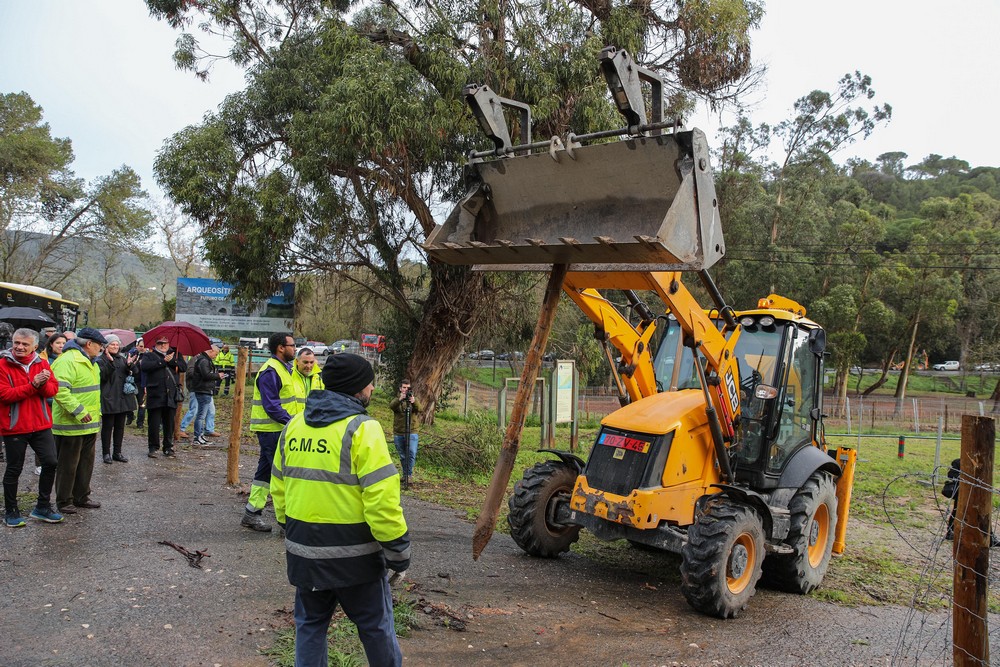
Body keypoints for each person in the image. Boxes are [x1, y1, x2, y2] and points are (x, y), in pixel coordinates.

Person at [272, 353, 409, 667]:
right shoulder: (363, 429)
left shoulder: (294, 426)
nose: (373, 389)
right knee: (376, 627)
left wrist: (290, 528)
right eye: (369, 382)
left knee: (309, 625)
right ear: (357, 388)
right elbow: (382, 502)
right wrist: (398, 551)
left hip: (304, 553)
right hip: (356, 559)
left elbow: (278, 487)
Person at [0, 328, 63, 526]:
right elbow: (5, 395)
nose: (19, 347)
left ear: (35, 347)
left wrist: (42, 384)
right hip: (15, 426)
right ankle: (11, 511)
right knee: (14, 469)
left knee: (51, 462)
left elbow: (53, 390)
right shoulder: (2, 365)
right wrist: (34, 385)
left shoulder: (42, 363)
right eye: (16, 343)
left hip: (41, 424)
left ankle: (42, 507)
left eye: (24, 344)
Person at [242, 332, 296, 532]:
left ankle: (251, 512)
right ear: (281, 348)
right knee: (281, 475)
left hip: (277, 429)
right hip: (272, 430)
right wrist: (292, 422)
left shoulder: (283, 369)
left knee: (265, 472)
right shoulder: (270, 371)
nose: (295, 348)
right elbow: (272, 406)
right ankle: (285, 521)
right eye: (292, 345)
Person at [50, 327, 107, 513]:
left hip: (89, 425)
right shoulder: (67, 361)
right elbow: (59, 390)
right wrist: (79, 411)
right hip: (70, 425)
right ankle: (64, 500)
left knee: (86, 464)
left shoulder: (92, 362)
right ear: (89, 344)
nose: (101, 349)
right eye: (99, 345)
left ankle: (82, 496)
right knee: (68, 466)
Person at [140, 337, 186, 458]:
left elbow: (183, 367)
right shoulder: (149, 355)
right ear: (155, 344)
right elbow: (144, 367)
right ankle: (153, 447)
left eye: (165, 343)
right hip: (155, 394)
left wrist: (171, 361)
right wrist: (162, 361)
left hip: (171, 395)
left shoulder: (175, 354)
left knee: (169, 423)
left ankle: (168, 447)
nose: (162, 345)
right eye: (160, 343)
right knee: (154, 423)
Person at [96, 335, 139, 464]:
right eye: (112, 344)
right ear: (106, 346)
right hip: (109, 397)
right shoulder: (101, 360)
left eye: (116, 344)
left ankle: (117, 452)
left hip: (123, 398)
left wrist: (130, 365)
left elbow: (135, 372)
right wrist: (110, 363)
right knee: (107, 427)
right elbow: (102, 376)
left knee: (120, 427)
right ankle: (106, 453)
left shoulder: (122, 358)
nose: (115, 347)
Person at [389, 379, 421, 489]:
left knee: (411, 453)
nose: (405, 390)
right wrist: (400, 399)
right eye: (404, 387)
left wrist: (414, 402)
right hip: (399, 431)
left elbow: (420, 409)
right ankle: (405, 474)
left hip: (412, 431)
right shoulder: (397, 399)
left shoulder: (413, 399)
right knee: (403, 455)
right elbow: (392, 406)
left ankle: (408, 475)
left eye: (408, 388)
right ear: (400, 388)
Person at [189, 345, 223, 445]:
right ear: (211, 351)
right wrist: (218, 375)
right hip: (203, 390)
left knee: (202, 414)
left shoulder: (204, 360)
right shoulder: (204, 361)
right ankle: (197, 436)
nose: (216, 357)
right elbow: (206, 375)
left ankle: (200, 435)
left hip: (205, 389)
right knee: (201, 415)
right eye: (216, 354)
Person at [289, 347, 324, 416]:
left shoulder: (319, 378)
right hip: (293, 422)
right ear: (297, 362)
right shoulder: (288, 376)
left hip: (313, 421)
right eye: (305, 362)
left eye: (311, 362)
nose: (309, 366)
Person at [132, 338, 147, 429]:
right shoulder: (133, 354)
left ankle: (140, 423)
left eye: (144, 347)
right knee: (128, 402)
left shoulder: (147, 357)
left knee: (142, 404)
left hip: (142, 383)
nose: (142, 348)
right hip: (131, 382)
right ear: (137, 346)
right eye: (141, 346)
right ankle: (130, 416)